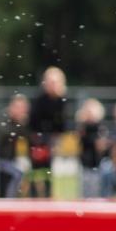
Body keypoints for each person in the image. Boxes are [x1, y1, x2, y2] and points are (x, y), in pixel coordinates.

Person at [27, 67, 68, 199]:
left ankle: (48, 194)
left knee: (48, 169)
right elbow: (33, 122)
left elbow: (62, 124)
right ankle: (33, 194)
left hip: (50, 139)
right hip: (37, 139)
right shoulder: (39, 100)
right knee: (35, 169)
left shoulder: (61, 101)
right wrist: (37, 140)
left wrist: (56, 139)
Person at [0, 94, 29, 199]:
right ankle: (9, 198)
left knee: (19, 173)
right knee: (17, 174)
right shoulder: (4, 118)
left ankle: (11, 197)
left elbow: (28, 136)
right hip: (0, 159)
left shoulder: (20, 122)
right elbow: (2, 134)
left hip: (11, 159)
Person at [75, 98, 107, 199]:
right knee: (85, 187)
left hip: (96, 162)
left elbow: (101, 146)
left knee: (95, 187)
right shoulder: (83, 127)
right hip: (85, 161)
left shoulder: (100, 128)